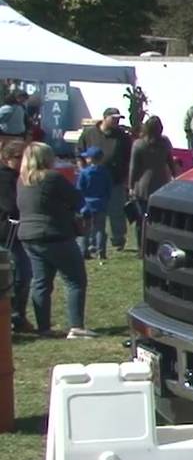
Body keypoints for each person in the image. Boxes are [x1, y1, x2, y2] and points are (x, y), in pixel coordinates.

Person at [17, 142, 92, 338]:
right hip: (54, 233)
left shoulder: (22, 180)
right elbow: (77, 199)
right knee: (75, 280)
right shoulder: (52, 178)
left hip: (29, 235)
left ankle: (43, 328)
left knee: (41, 282)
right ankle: (76, 327)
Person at [76, 107, 132, 251]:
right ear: (105, 117)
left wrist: (126, 177)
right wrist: (83, 170)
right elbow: (79, 152)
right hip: (93, 183)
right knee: (94, 215)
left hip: (115, 179)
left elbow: (128, 157)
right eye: (113, 118)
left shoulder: (122, 136)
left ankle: (118, 240)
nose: (116, 121)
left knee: (116, 211)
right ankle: (93, 242)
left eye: (118, 119)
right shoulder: (90, 134)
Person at [129, 116, 178, 249]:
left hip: (142, 185)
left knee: (142, 219)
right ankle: (157, 243)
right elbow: (171, 162)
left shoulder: (138, 144)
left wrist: (130, 186)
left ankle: (142, 246)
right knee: (159, 218)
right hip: (161, 182)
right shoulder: (165, 143)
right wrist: (176, 176)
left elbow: (133, 167)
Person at [0, 141, 32, 333]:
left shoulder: (16, 176)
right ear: (6, 158)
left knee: (22, 274)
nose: (23, 162)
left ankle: (17, 315)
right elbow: (10, 206)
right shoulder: (4, 178)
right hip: (7, 233)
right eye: (18, 157)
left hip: (15, 233)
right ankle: (14, 316)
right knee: (19, 274)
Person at [75, 146, 110, 262]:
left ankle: (83, 251)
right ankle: (101, 252)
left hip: (86, 204)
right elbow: (108, 188)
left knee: (85, 229)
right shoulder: (105, 172)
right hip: (101, 203)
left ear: (90, 159)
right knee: (100, 229)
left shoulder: (84, 172)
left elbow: (79, 188)